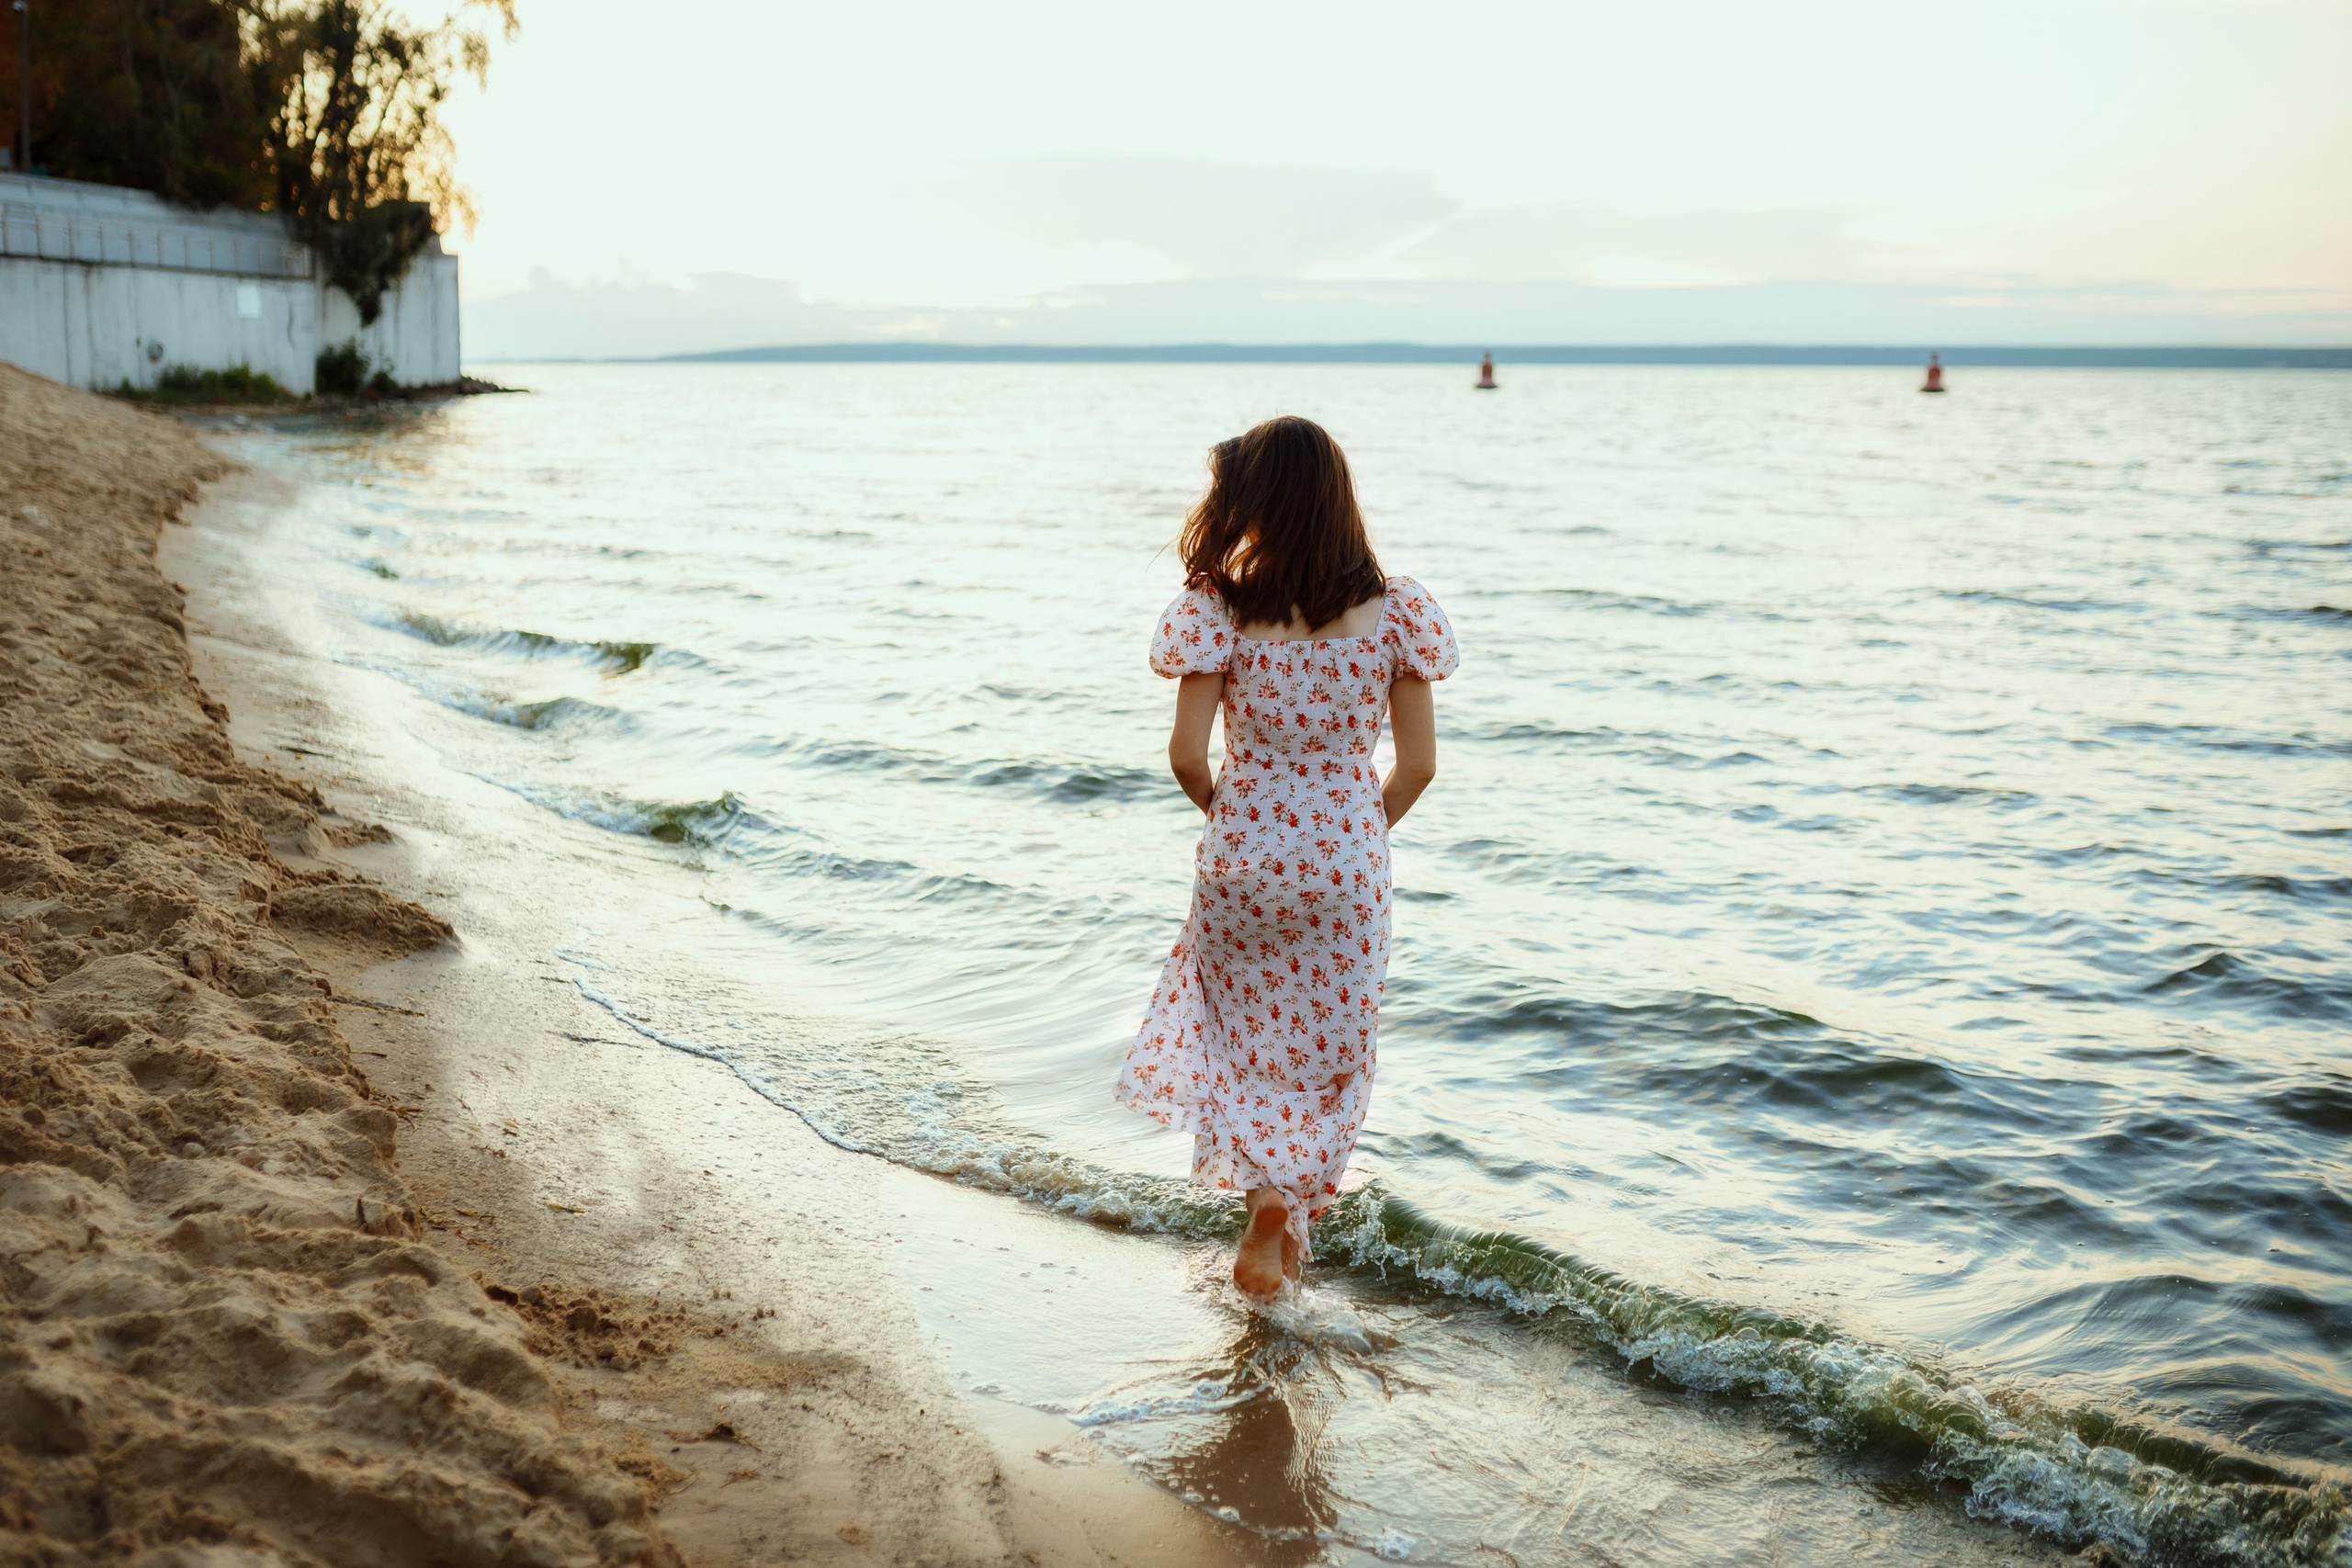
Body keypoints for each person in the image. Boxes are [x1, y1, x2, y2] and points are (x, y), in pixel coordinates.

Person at [1118, 415, 1459, 1300]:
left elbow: (1187, 757)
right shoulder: (1397, 613)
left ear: (1258, 503)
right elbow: (1417, 767)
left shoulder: (1219, 611)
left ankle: (1269, 1212)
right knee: (1329, 1055)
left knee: (1241, 1044)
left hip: (1241, 858)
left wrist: (1241, 821)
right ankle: (1286, 1210)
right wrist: (1353, 836)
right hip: (1346, 860)